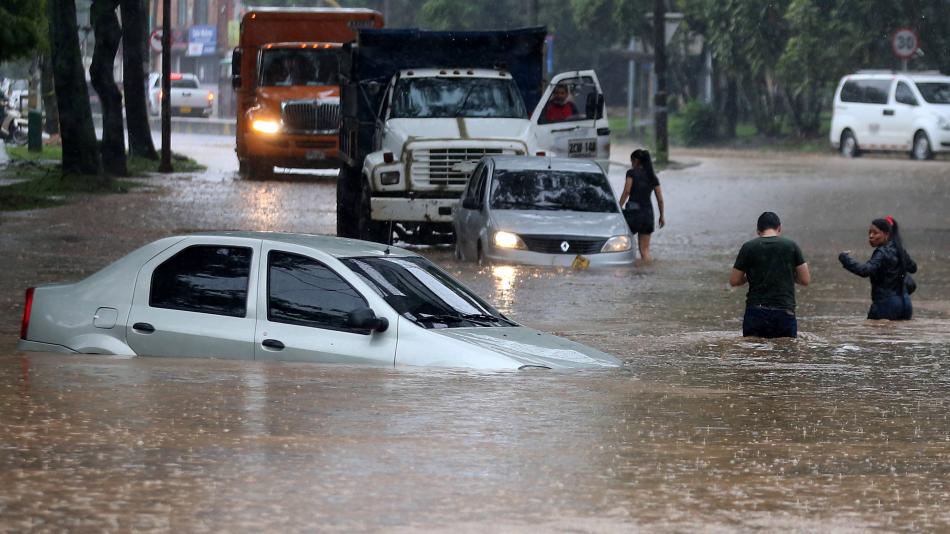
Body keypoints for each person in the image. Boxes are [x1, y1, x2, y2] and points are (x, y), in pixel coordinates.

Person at [730, 211, 811, 338]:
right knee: (785, 354)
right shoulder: (791, 246)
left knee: (754, 354)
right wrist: (785, 274)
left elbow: (734, 281)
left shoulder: (748, 247)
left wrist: (751, 276)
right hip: (784, 311)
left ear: (758, 231)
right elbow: (805, 280)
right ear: (779, 228)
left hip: (755, 312)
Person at [838, 215, 917, 320]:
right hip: (905, 305)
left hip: (885, 306)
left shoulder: (881, 252)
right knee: (899, 335)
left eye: (875, 233)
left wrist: (845, 259)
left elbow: (865, 271)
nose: (871, 236)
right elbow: (913, 268)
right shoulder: (900, 250)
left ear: (886, 235)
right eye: (869, 233)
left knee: (875, 335)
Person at [618, 149, 665, 263]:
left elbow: (627, 191)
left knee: (619, 244)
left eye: (632, 161)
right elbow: (660, 199)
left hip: (633, 214)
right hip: (648, 215)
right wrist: (661, 216)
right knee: (645, 251)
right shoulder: (652, 177)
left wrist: (618, 208)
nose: (631, 164)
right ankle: (648, 274)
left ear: (636, 161)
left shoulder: (631, 173)